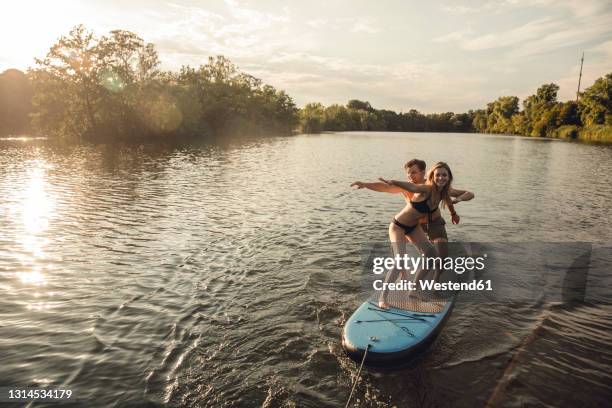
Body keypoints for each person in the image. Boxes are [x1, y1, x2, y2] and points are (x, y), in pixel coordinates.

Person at [351, 162, 474, 308]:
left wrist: (459, 199)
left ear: (449, 177)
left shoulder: (445, 192)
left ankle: (413, 290)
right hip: (398, 226)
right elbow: (411, 187)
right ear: (432, 176)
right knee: (399, 261)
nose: (441, 178)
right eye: (438, 175)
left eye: (444, 175)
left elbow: (470, 194)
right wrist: (388, 182)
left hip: (414, 227)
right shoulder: (426, 188)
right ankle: (383, 298)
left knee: (432, 257)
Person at [352, 159, 473, 259]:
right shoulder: (406, 187)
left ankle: (438, 273)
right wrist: (365, 184)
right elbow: (385, 187)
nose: (410, 176)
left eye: (413, 172)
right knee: (399, 250)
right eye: (408, 173)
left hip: (434, 223)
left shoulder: (434, 185)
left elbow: (449, 195)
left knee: (441, 256)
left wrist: (454, 211)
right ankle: (403, 272)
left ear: (423, 172)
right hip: (414, 225)